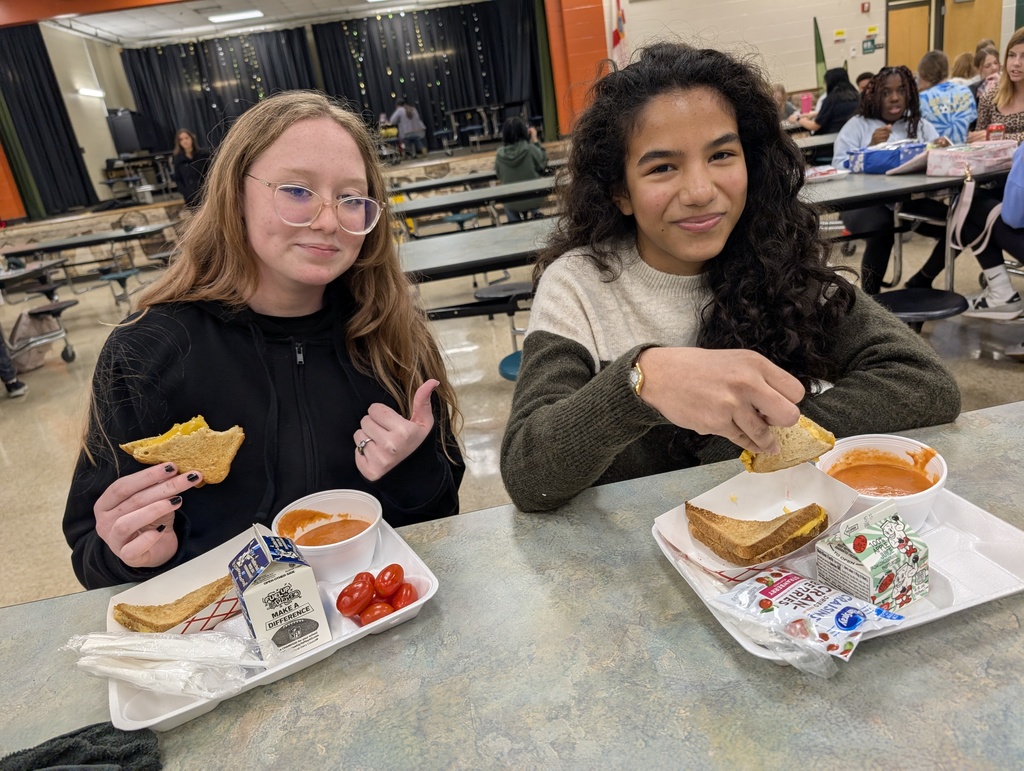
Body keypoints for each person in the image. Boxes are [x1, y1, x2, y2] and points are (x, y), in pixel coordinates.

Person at [499, 43, 960, 512]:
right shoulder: (578, 286)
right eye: (662, 167)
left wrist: (760, 434)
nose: (701, 192)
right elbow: (529, 472)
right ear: (620, 191)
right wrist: (641, 382)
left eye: (721, 155)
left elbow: (925, 384)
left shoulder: (780, 258)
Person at [63, 91, 464, 589]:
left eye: (352, 199)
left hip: (375, 626)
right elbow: (90, 550)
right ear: (235, 194)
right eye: (297, 190)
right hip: (227, 652)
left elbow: (445, 515)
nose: (327, 220)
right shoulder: (148, 351)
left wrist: (412, 467)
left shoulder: (394, 336)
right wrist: (133, 554)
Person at [831, 66, 950, 294]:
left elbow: (940, 154)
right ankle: (871, 299)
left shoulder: (919, 125)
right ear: (875, 95)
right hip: (865, 204)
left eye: (901, 91)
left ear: (910, 94)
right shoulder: (858, 125)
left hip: (909, 201)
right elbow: (837, 166)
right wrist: (869, 150)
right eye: (886, 92)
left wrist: (942, 150)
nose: (895, 98)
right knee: (882, 228)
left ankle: (922, 279)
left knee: (960, 227)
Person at [970, 31, 1024, 143]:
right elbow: (979, 144)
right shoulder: (989, 97)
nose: (1016, 63)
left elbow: (987, 137)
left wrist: (995, 137)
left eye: (1023, 57)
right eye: (1012, 55)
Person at [494, 117, 548, 222]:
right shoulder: (530, 149)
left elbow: (499, 175)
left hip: (512, 201)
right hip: (533, 198)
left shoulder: (499, 154)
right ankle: (537, 220)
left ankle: (514, 228)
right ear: (524, 132)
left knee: (508, 205)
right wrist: (535, 140)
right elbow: (543, 162)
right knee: (533, 199)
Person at [917, 50, 977, 144]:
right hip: (962, 152)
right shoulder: (966, 92)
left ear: (923, 75)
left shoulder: (922, 98)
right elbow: (970, 124)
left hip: (934, 153)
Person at [796, 68, 859, 135]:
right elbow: (840, 112)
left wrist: (799, 120)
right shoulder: (856, 96)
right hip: (854, 135)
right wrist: (816, 114)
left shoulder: (832, 99)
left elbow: (814, 126)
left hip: (832, 138)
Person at [171, 129, 211, 209]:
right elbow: (178, 178)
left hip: (206, 193)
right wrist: (184, 191)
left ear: (192, 138)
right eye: (181, 139)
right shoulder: (178, 159)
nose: (185, 141)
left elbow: (211, 172)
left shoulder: (203, 155)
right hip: (190, 196)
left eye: (186, 138)